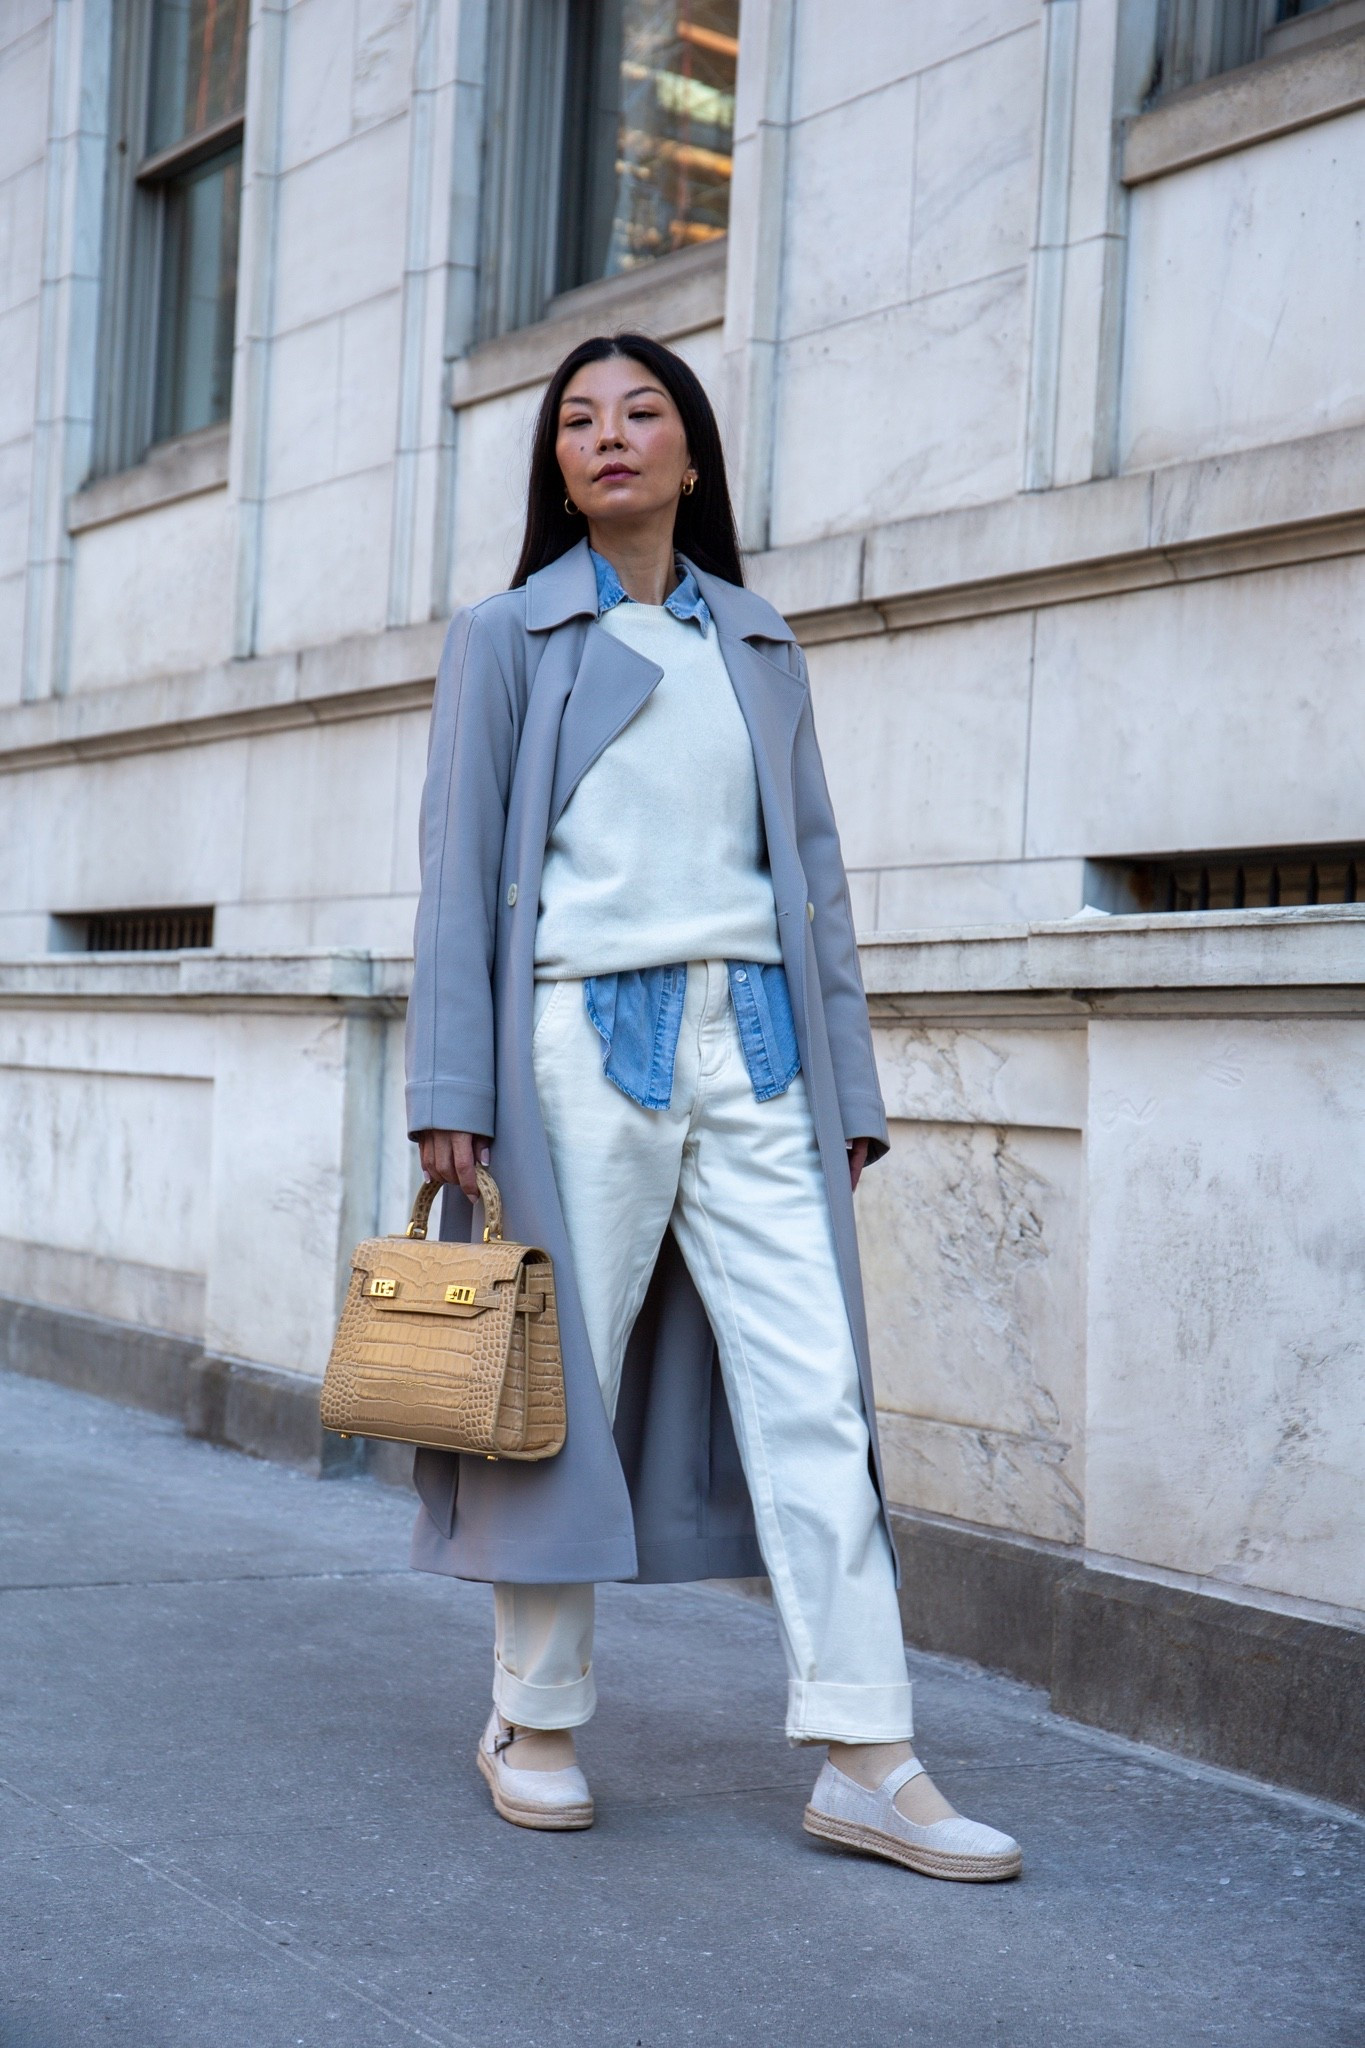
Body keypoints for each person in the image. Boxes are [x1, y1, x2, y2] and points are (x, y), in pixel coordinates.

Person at [405, 332, 1021, 1881]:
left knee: (813, 1391)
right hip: (573, 1040)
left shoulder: (756, 641)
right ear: (555, 465)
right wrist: (449, 1095)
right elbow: (457, 874)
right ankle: (530, 1720)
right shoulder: (508, 636)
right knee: (556, 1391)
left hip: (756, 1040)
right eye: (578, 420)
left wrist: (850, 1088)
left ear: (691, 455)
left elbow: (810, 875)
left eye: (644, 413)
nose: (610, 436)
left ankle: (868, 1753)